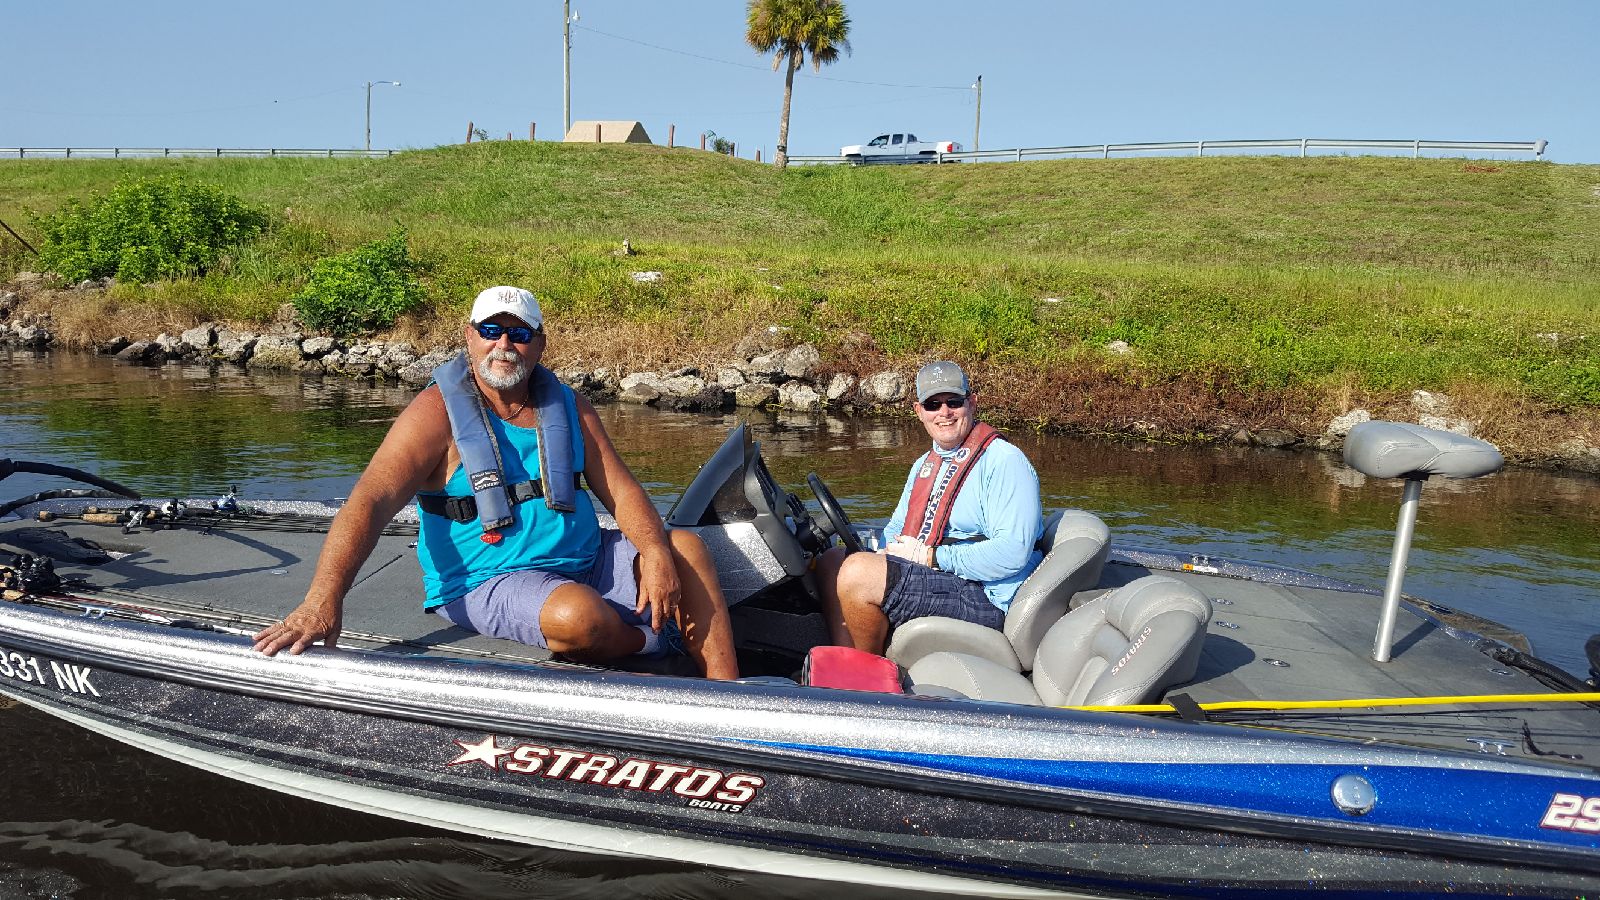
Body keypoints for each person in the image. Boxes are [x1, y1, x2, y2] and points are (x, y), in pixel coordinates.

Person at [253, 286, 739, 679]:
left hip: (586, 561)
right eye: (491, 330)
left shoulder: (569, 405)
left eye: (519, 333)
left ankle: (729, 699)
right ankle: (654, 643)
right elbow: (370, 500)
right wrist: (322, 601)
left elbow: (623, 490)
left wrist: (654, 553)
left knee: (685, 549)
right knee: (578, 617)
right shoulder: (435, 413)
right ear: (470, 337)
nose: (504, 344)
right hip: (488, 579)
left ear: (540, 343)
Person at [815, 361, 1043, 655]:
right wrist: (885, 552)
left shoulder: (1005, 461)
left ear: (972, 403)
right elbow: (897, 529)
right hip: (942, 577)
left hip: (985, 596)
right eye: (933, 404)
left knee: (858, 573)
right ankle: (846, 663)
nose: (944, 412)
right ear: (919, 411)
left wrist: (930, 557)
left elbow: (1012, 553)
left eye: (954, 402)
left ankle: (866, 672)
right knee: (832, 562)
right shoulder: (923, 466)